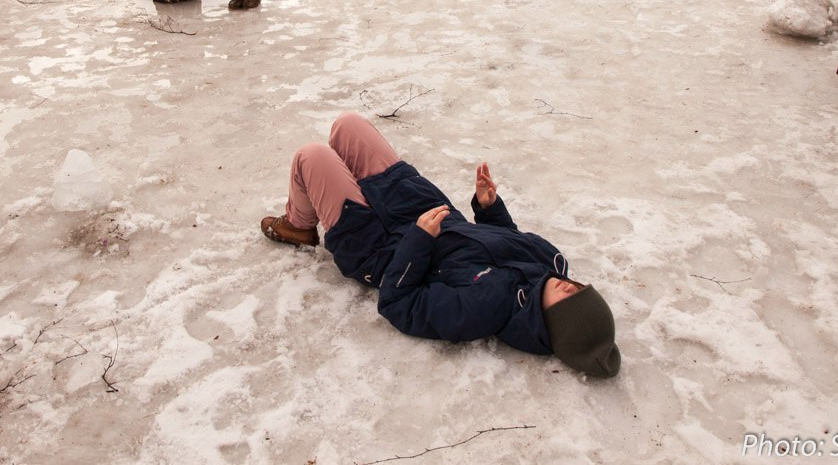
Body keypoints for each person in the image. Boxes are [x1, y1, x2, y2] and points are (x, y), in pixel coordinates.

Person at [259, 113, 622, 379]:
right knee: (348, 125)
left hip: (377, 245)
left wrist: (418, 241)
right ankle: (340, 187)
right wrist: (489, 207)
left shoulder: (486, 310)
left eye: (568, 300)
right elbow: (504, 238)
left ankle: (299, 226)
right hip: (421, 207)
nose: (568, 286)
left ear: (554, 323)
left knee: (311, 155)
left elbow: (399, 303)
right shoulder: (549, 263)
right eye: (579, 288)